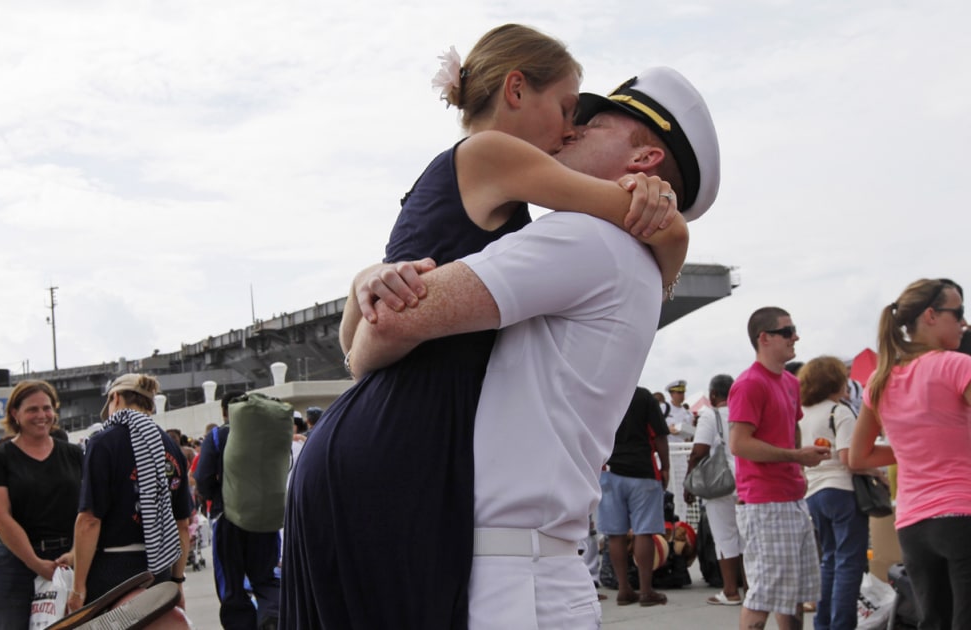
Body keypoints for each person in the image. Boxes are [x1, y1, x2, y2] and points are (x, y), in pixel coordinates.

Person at [281, 22, 696, 627]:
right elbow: (632, 214)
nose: (571, 126)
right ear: (517, 90)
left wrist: (364, 283)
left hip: (386, 432)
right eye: (566, 108)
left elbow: (354, 343)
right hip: (403, 436)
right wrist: (674, 231)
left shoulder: (471, 179)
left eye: (582, 117)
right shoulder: (495, 157)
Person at [849, 278, 971, 630]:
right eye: (958, 312)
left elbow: (858, 457)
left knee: (933, 621)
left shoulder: (880, 380)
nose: (963, 322)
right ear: (931, 315)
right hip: (962, 512)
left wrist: (913, 450)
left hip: (914, 524)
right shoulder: (956, 365)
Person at [728, 309, 829, 629]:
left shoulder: (788, 382)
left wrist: (797, 460)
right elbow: (739, 443)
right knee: (764, 596)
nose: (795, 337)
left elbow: (792, 427)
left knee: (794, 595)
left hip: (789, 499)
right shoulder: (749, 383)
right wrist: (796, 456)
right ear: (764, 337)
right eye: (788, 331)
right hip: (765, 502)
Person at [69, 374, 192, 615]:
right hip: (160, 570)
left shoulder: (103, 442)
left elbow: (90, 520)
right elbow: (182, 525)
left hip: (112, 571)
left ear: (115, 398)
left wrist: (77, 588)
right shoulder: (170, 446)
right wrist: (177, 583)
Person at [0, 379, 82, 628]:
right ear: (15, 413)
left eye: (47, 408)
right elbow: (0, 518)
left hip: (68, 559)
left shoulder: (74, 455)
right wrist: (35, 563)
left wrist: (75, 553)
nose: (42, 415)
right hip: (15, 563)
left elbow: (90, 510)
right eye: (32, 409)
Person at [195, 391, 282, 629]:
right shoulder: (268, 432)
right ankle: (274, 616)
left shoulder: (216, 435)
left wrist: (216, 497)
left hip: (229, 516)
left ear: (224, 412)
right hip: (266, 517)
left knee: (231, 584)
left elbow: (202, 476)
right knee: (266, 577)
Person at [797, 355, 871, 630]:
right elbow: (850, 458)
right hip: (841, 489)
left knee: (828, 560)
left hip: (814, 492)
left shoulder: (803, 413)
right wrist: (876, 472)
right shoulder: (839, 411)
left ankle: (823, 623)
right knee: (849, 563)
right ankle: (842, 624)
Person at [599, 387, 670, 607]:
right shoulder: (643, 396)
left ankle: (623, 589)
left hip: (609, 472)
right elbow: (659, 434)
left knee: (616, 535)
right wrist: (665, 466)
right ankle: (646, 591)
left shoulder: (603, 394)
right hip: (643, 471)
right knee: (644, 532)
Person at [684, 374, 745, 606]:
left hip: (720, 484)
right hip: (746, 481)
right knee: (745, 537)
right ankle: (750, 588)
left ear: (712, 395)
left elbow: (699, 450)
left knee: (724, 536)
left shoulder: (710, 414)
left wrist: (689, 479)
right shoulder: (742, 412)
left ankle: (730, 591)